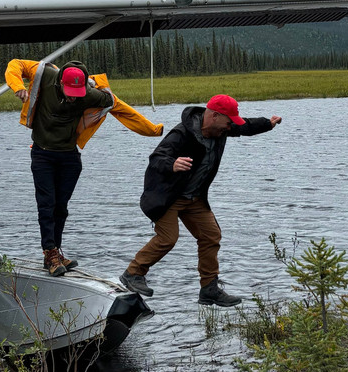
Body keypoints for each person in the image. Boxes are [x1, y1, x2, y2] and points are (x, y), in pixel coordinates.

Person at [5, 58, 163, 276]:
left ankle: (56, 252)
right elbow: (15, 65)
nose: (72, 96)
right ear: (60, 82)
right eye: (69, 91)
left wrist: (153, 130)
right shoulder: (46, 75)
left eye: (76, 93)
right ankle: (49, 253)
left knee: (60, 207)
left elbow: (121, 108)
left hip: (69, 157)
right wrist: (18, 86)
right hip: (42, 155)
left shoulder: (91, 95)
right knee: (46, 204)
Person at [120, 94, 281, 307]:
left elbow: (245, 126)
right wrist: (173, 163)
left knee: (211, 235)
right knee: (168, 238)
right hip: (168, 197)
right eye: (228, 121)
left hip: (194, 198)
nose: (230, 126)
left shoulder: (221, 127)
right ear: (214, 116)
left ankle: (209, 289)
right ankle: (132, 273)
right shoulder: (182, 134)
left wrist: (267, 124)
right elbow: (156, 158)